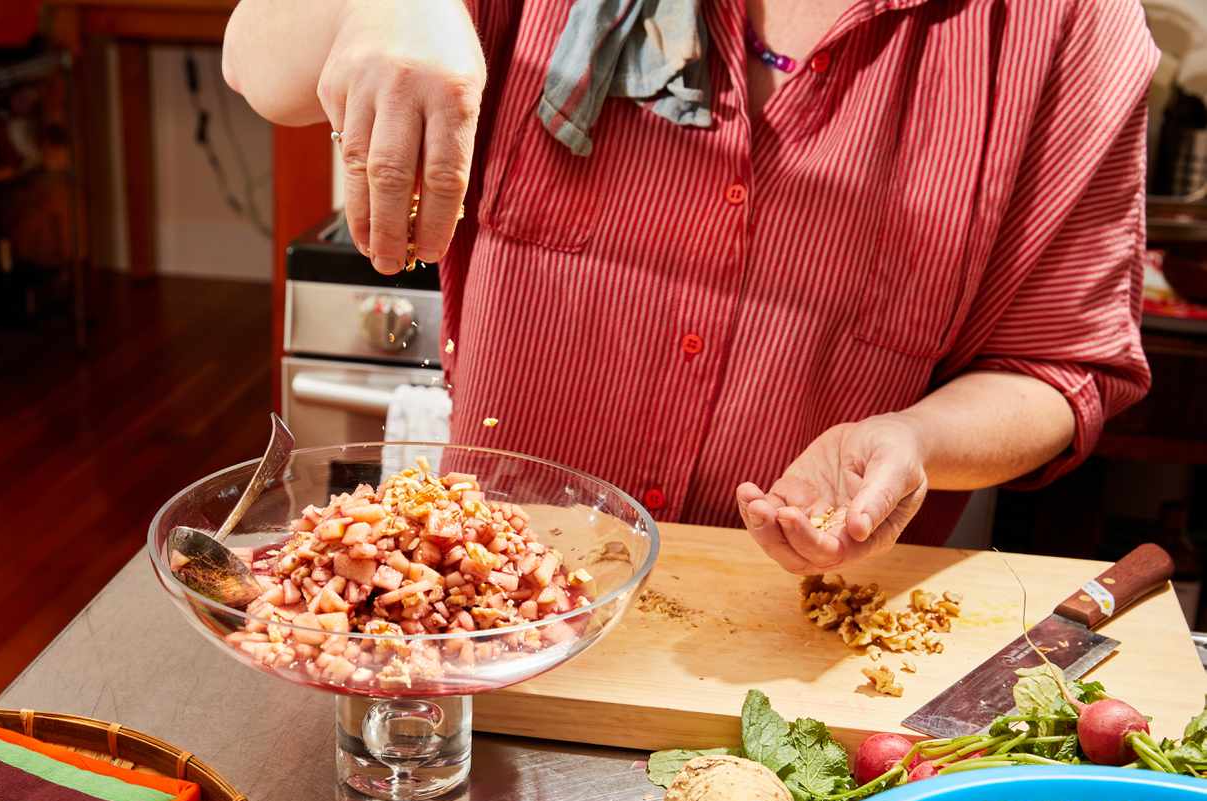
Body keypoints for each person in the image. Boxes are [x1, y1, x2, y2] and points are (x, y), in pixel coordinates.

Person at [222, 0, 1157, 574]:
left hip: (798, 644)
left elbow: (1060, 366)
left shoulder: (1067, 26)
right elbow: (259, 60)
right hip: (494, 615)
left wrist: (916, 437)